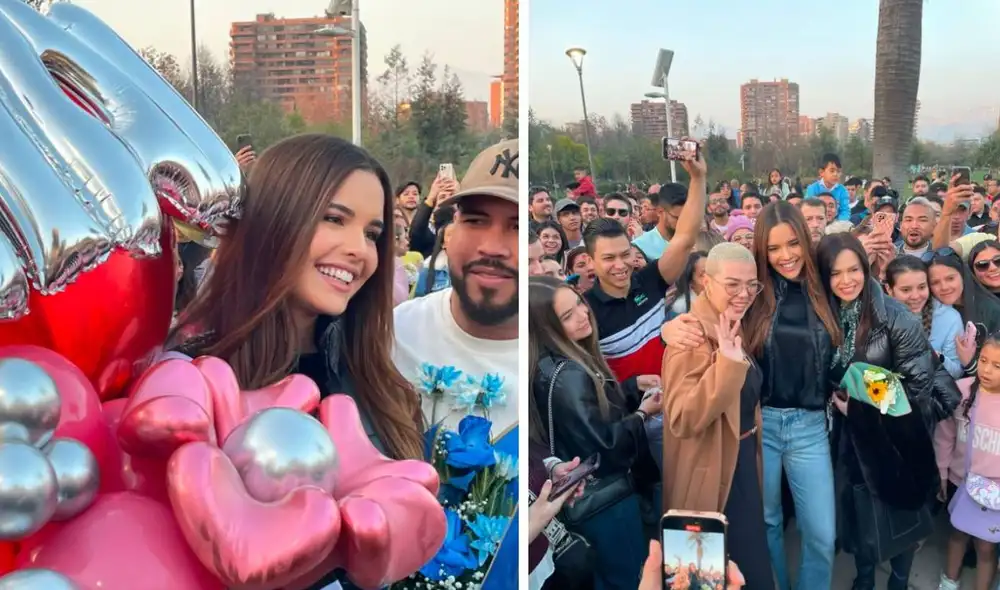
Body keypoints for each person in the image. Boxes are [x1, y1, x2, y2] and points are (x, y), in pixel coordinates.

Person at [168, 134, 425, 590]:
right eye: (333, 219)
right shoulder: (187, 384)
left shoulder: (377, 383)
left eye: (372, 234)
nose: (359, 250)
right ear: (275, 221)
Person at [661, 202, 842, 590]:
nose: (785, 256)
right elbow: (705, 314)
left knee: (822, 535)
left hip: (809, 426)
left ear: (806, 241)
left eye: (792, 243)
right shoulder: (754, 292)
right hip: (764, 425)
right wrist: (671, 330)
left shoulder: (826, 286)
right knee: (766, 527)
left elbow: (867, 305)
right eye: (773, 248)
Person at [392, 139, 519, 589]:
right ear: (448, 232)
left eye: (518, 227)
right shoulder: (387, 337)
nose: (494, 246)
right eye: (476, 221)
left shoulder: (560, 365)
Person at [817, 234, 959, 590]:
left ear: (867, 271)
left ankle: (898, 582)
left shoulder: (895, 318)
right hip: (850, 438)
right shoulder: (823, 315)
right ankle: (864, 579)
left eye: (854, 270)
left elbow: (917, 388)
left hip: (900, 435)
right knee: (861, 516)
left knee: (903, 514)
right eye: (835, 273)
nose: (846, 280)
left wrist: (861, 409)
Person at [529, 275, 661, 590]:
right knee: (629, 579)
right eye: (567, 315)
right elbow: (605, 445)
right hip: (605, 501)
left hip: (587, 502)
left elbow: (585, 417)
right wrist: (643, 414)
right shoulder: (569, 374)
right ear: (546, 328)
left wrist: (630, 387)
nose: (582, 315)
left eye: (579, 304)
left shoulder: (550, 365)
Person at [660, 242, 774, 590]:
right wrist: (725, 364)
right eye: (732, 284)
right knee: (709, 578)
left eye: (751, 285)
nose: (744, 294)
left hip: (738, 463)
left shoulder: (729, 323)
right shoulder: (692, 336)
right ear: (706, 283)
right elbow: (682, 417)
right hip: (710, 475)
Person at [934, 336, 1000, 590]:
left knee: (985, 547)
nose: (986, 370)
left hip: (994, 494)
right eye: (983, 360)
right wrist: (941, 472)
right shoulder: (962, 391)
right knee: (957, 535)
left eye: (997, 365)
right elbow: (944, 436)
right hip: (959, 481)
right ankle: (948, 582)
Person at [804, 153, 850, 221]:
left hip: (836, 225)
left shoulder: (843, 190)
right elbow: (807, 209)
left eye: (838, 171)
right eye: (832, 171)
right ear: (821, 172)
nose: (835, 174)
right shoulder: (812, 189)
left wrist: (836, 224)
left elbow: (845, 212)